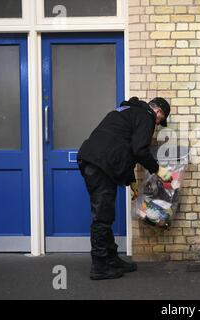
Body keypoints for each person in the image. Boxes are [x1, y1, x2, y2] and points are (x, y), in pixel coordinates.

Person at [78, 96, 172, 280]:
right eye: (160, 120)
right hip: (100, 165)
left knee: (106, 214)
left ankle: (111, 259)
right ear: (158, 112)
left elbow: (124, 149)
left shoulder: (128, 111)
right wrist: (158, 170)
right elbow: (139, 150)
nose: (157, 123)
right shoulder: (147, 116)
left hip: (95, 161)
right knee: (102, 217)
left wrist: (132, 182)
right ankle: (99, 266)